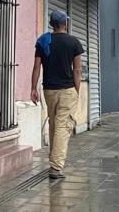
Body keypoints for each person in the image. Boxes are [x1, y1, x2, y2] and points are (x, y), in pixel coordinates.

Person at [30, 10, 84, 179]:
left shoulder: (43, 41)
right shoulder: (73, 42)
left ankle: (53, 161)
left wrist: (33, 88)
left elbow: (37, 67)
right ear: (64, 23)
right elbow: (77, 70)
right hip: (67, 90)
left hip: (48, 90)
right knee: (63, 126)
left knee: (54, 124)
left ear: (52, 24)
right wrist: (77, 90)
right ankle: (56, 167)